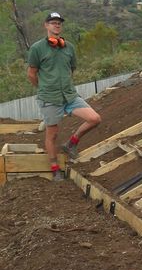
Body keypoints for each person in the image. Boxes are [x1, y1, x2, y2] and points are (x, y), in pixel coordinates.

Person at [27, 12, 101, 181]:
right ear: (46, 25)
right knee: (52, 135)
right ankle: (55, 169)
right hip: (49, 98)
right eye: (53, 22)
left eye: (59, 23)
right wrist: (43, 87)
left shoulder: (69, 47)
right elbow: (31, 74)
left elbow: (71, 69)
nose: (56, 25)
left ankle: (71, 143)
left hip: (69, 95)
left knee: (95, 118)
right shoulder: (37, 48)